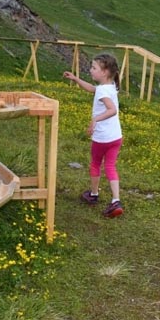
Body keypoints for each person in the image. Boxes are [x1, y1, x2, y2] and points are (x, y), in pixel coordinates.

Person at [63, 53, 123, 218]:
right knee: (110, 166)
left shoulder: (103, 90)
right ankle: (116, 200)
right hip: (116, 137)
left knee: (95, 164)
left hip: (102, 138)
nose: (90, 70)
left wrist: (95, 119)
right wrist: (76, 79)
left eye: (94, 68)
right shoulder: (110, 86)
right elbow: (92, 89)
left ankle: (94, 194)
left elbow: (112, 110)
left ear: (104, 72)